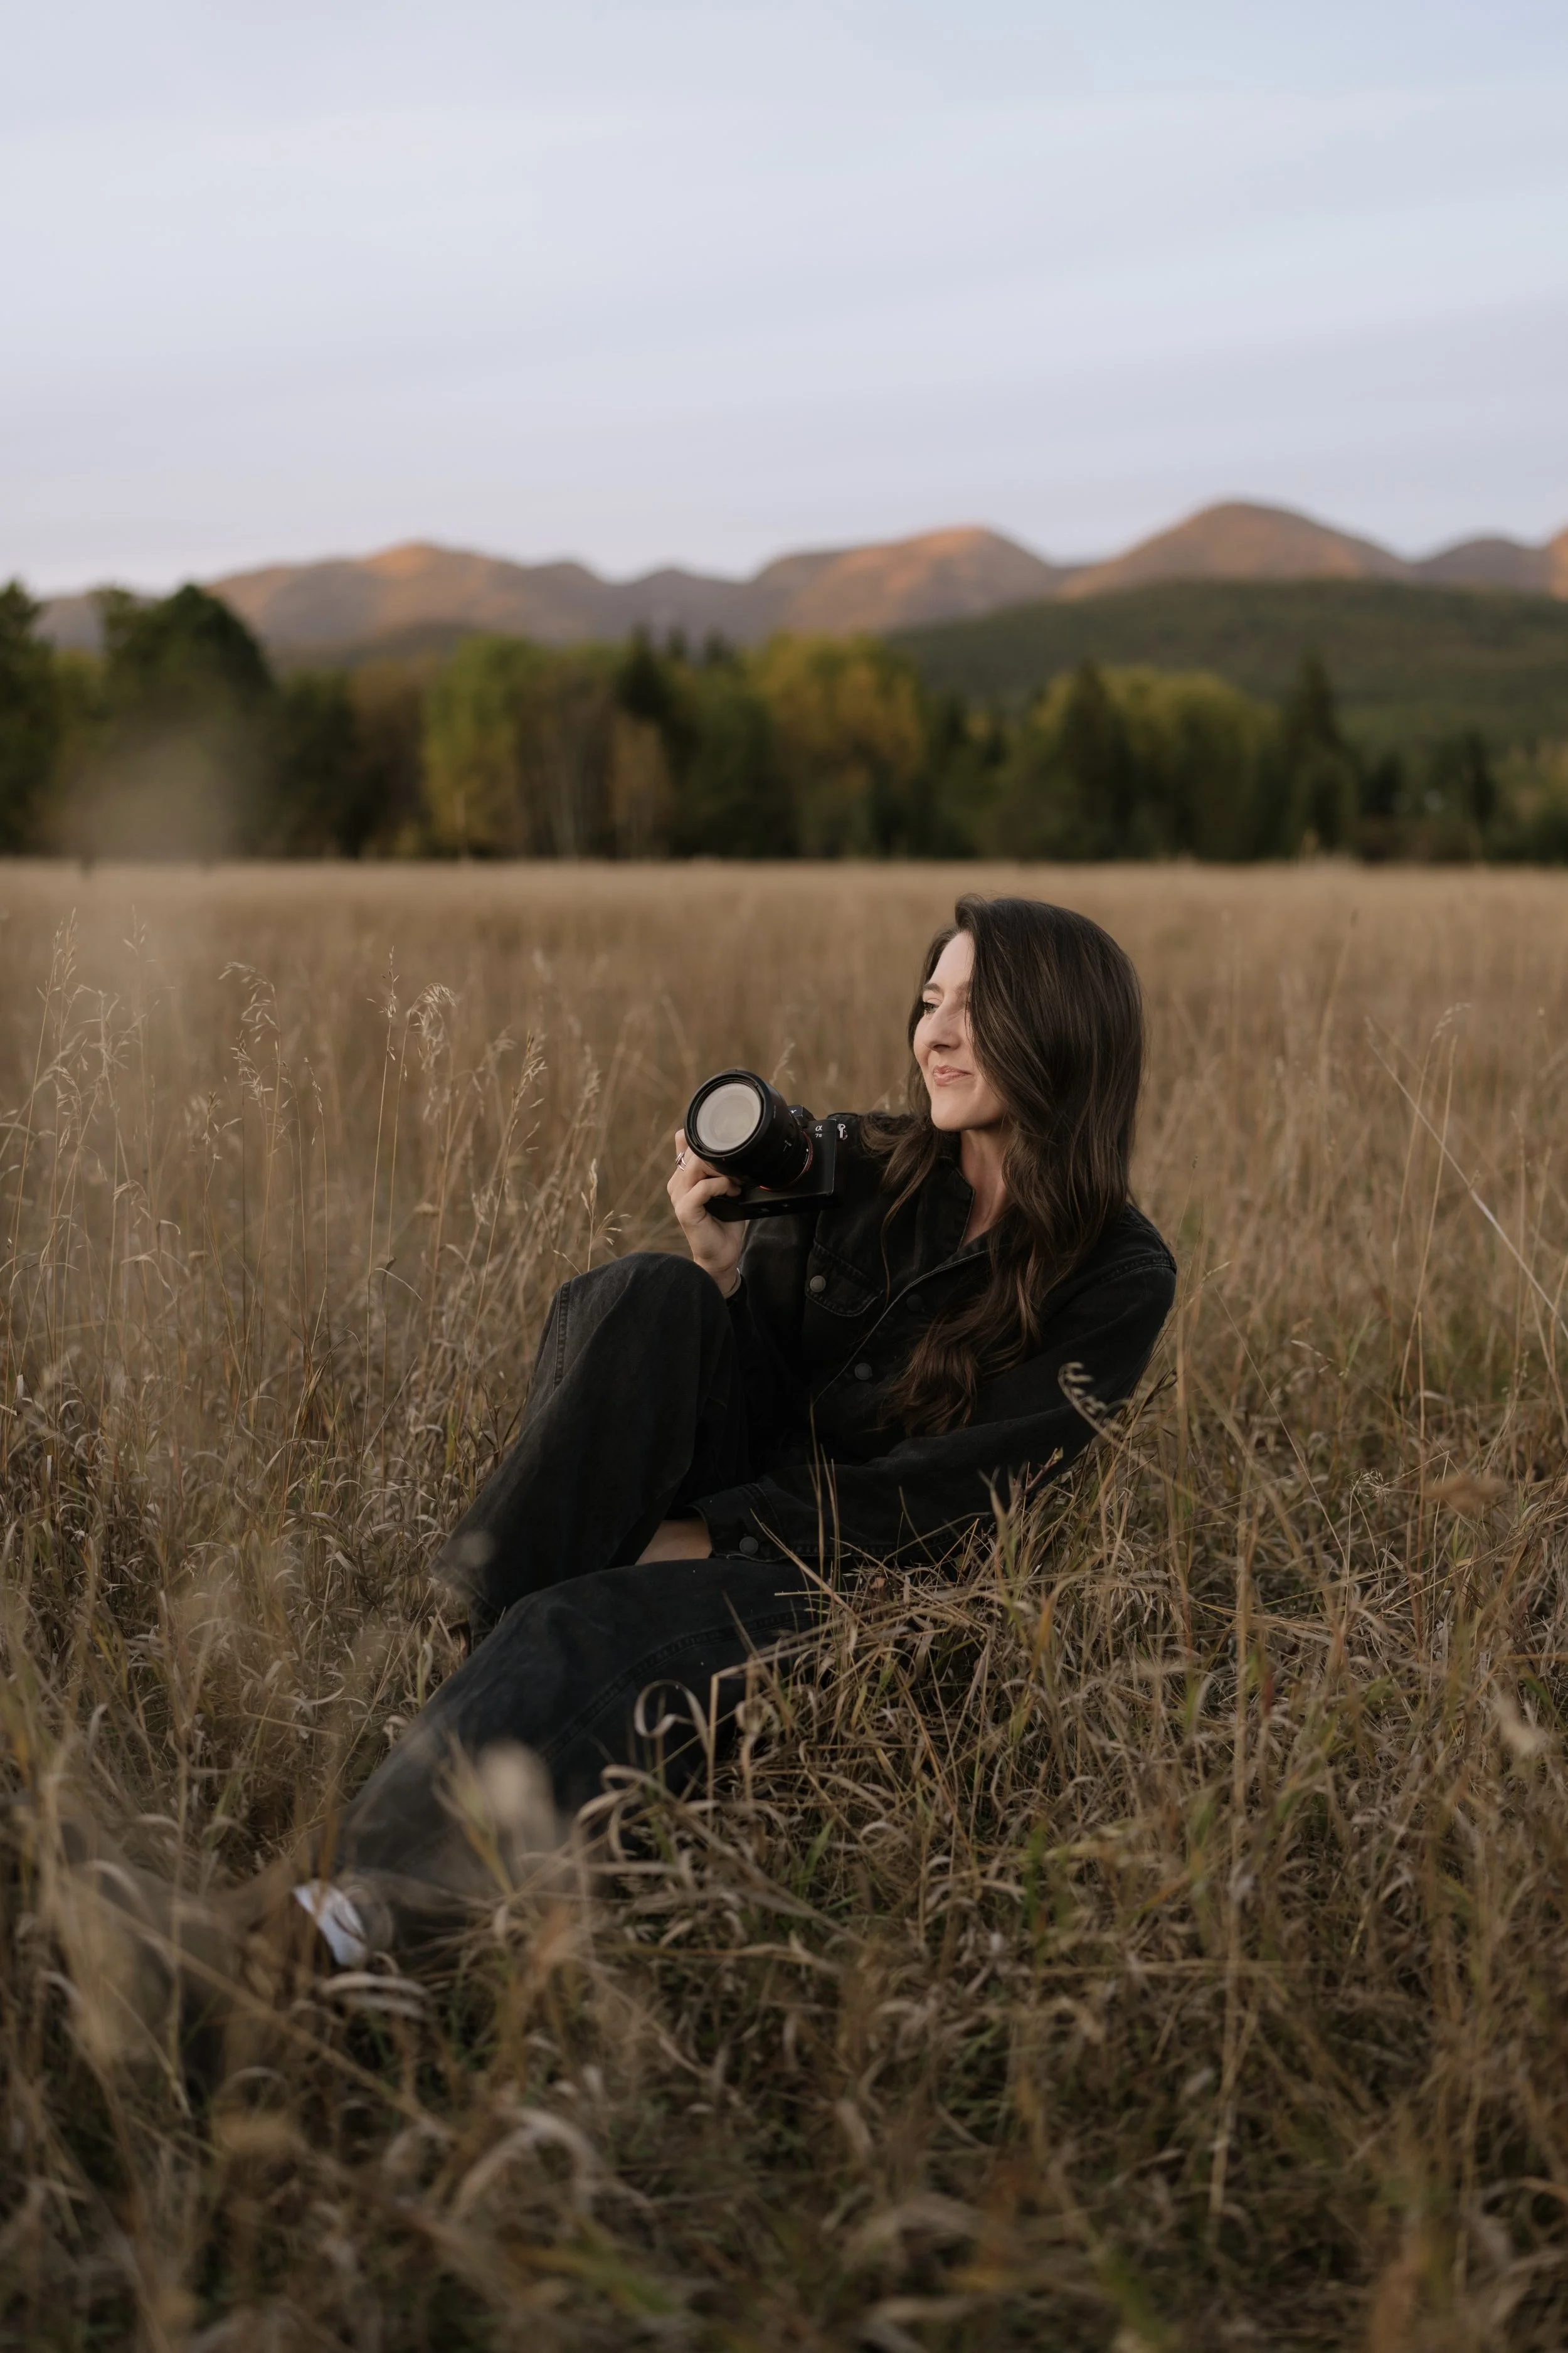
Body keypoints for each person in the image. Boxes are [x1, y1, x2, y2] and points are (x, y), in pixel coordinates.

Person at [38, 895, 1177, 1999]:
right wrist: (722, 1271)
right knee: (650, 1292)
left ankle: (318, 1929)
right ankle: (476, 1653)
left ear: (1057, 1027)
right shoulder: (861, 1166)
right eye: (929, 998)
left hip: (865, 1585)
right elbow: (756, 1386)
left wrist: (701, 1536)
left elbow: (962, 1504)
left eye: (971, 1006)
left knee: (574, 1624)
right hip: (743, 1505)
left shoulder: (1117, 1271)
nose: (933, 1031)